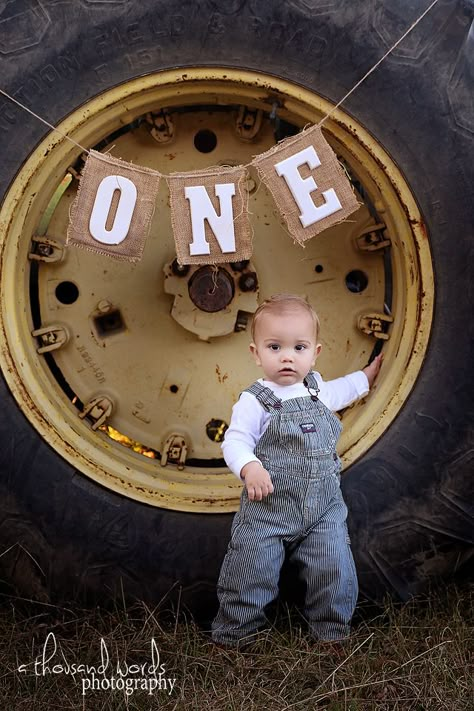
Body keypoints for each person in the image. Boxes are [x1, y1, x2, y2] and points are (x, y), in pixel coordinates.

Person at [211, 293, 383, 647]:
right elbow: (235, 441)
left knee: (334, 567)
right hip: (268, 510)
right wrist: (250, 467)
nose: (287, 357)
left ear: (315, 352)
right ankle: (235, 636)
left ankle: (332, 633)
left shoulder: (317, 390)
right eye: (274, 347)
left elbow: (345, 389)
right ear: (255, 353)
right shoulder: (255, 400)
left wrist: (367, 377)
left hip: (323, 510)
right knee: (250, 570)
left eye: (299, 348)